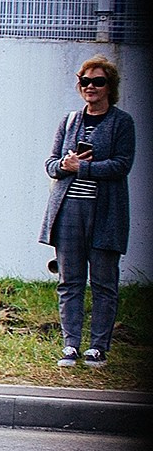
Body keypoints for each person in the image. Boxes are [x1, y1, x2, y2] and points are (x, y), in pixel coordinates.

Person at [42, 54, 134, 369]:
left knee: (105, 281)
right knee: (70, 280)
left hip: (106, 212)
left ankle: (98, 347)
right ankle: (70, 345)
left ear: (110, 87)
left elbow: (122, 165)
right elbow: (51, 164)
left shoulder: (122, 122)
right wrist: (65, 165)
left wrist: (84, 167)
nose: (91, 87)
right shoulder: (68, 121)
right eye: (85, 81)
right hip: (69, 211)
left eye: (98, 81)